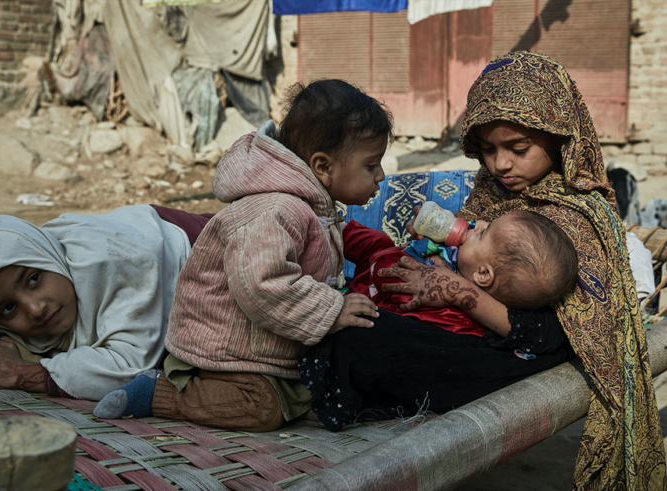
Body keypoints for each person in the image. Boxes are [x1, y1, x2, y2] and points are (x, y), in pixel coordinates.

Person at [300, 51, 666, 488]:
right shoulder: (491, 194)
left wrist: (458, 292)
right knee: (366, 317)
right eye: (488, 149)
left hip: (513, 357)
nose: (501, 165)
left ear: (560, 138)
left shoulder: (581, 217)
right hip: (460, 333)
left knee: (366, 337)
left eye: (518, 148)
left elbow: (552, 338)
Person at [93, 79, 392, 432]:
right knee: (259, 410)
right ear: (323, 166)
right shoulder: (274, 208)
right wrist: (331, 308)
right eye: (371, 166)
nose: (381, 176)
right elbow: (262, 285)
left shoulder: (310, 206)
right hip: (226, 353)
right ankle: (158, 391)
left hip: (266, 347)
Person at [0, 205, 212, 401]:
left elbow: (129, 367)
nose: (36, 309)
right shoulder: (13, 323)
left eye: (34, 279)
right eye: (8, 309)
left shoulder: (111, 262)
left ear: (47, 256)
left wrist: (22, 374)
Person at [344, 208, 578, 336]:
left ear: (483, 275)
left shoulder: (450, 312)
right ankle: (332, 231)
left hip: (366, 294)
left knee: (379, 245)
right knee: (370, 239)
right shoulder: (466, 261)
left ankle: (333, 235)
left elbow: (388, 274)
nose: (480, 223)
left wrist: (423, 258)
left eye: (483, 234)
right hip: (376, 266)